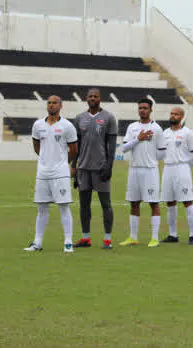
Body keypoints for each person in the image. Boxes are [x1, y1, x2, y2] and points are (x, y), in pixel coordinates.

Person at [24, 95, 78, 252]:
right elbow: (36, 146)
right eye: (49, 103)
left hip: (60, 173)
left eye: (54, 103)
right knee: (41, 208)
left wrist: (61, 163)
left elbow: (73, 149)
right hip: (42, 173)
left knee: (63, 207)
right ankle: (37, 242)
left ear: (61, 106)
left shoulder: (67, 126)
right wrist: (45, 160)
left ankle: (68, 242)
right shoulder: (38, 125)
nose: (51, 105)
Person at [71, 88, 117, 249]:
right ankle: (85, 238)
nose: (93, 98)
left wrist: (109, 166)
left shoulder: (108, 118)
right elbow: (75, 145)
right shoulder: (79, 119)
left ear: (100, 99)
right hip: (83, 168)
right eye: (90, 96)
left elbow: (112, 146)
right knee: (84, 205)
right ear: (86, 99)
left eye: (95, 96)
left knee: (106, 204)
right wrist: (73, 167)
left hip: (100, 168)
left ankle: (107, 239)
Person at [119, 98, 166, 247]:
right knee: (134, 203)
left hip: (150, 171)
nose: (142, 110)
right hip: (134, 170)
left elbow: (162, 152)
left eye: (145, 108)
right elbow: (124, 148)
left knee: (153, 203)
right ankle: (133, 237)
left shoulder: (157, 129)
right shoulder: (132, 127)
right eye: (140, 108)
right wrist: (138, 139)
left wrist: (151, 160)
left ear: (151, 110)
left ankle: (154, 238)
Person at [160, 107, 193, 245]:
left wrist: (186, 169)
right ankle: (173, 234)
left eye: (176, 114)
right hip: (168, 169)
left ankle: (192, 235)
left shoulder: (187, 133)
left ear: (181, 117)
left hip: (182, 169)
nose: (173, 116)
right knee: (170, 203)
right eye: (171, 113)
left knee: (187, 202)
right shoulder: (165, 133)